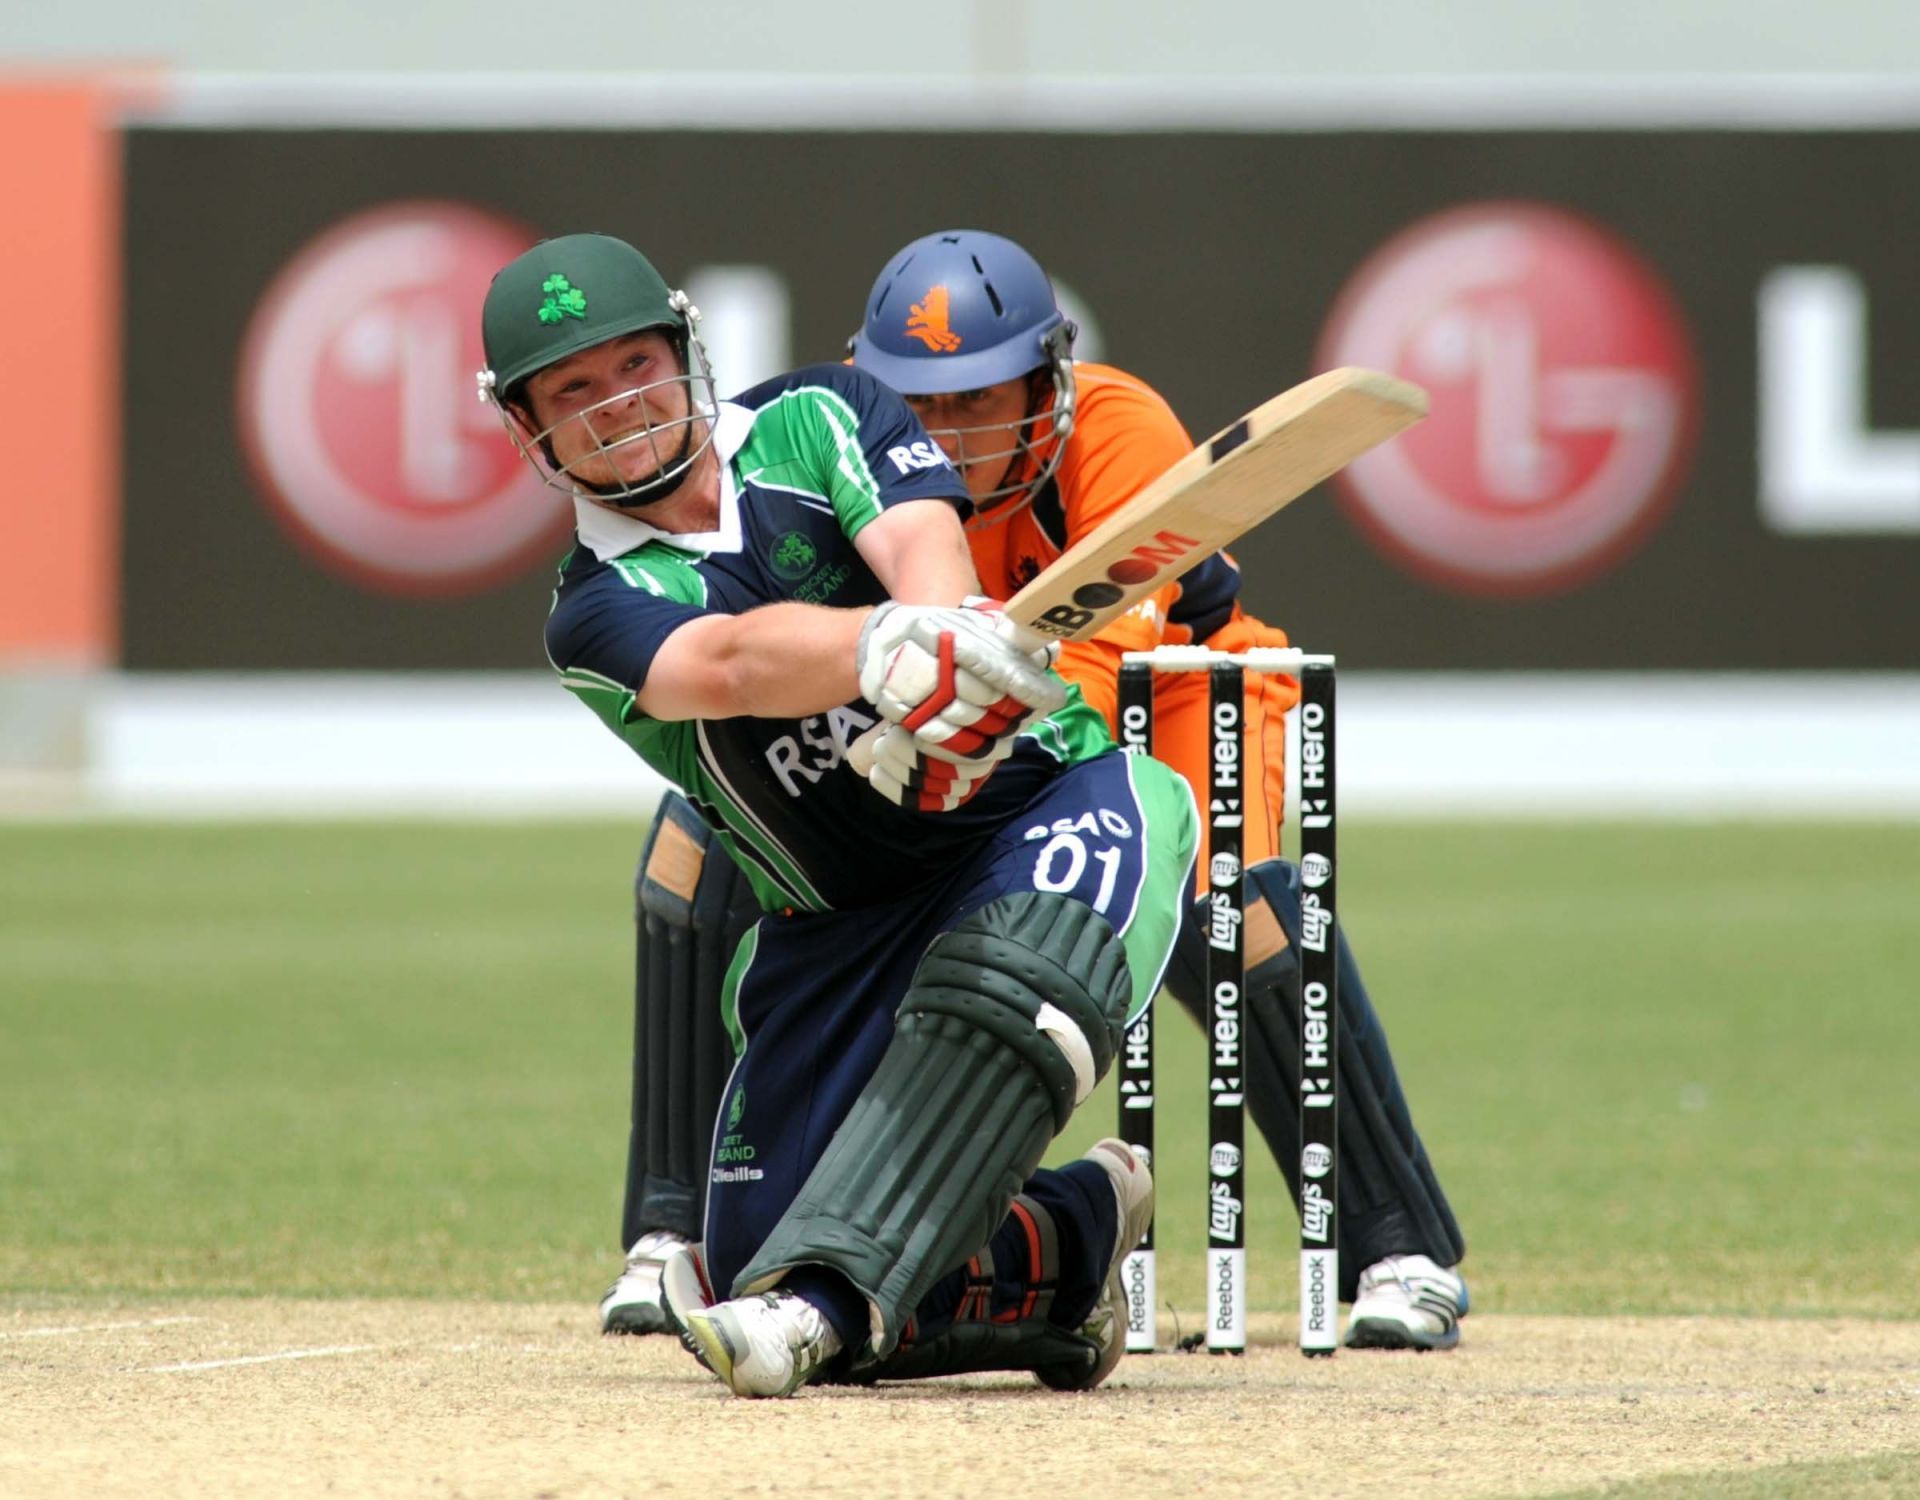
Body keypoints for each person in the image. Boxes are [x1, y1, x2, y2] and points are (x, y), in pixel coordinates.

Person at [599, 229, 1471, 1354]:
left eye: (980, 400)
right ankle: (673, 1234)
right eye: (921, 403)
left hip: (1176, 688)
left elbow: (1097, 687)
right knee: (694, 851)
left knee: (1233, 902)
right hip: (926, 722)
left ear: (1049, 375)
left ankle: (1398, 1247)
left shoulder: (1118, 430)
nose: (950, 436)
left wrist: (961, 750)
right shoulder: (829, 446)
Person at [479, 232, 1197, 1398]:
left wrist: (942, 679)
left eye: (635, 365)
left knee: (1018, 978)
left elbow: (919, 542)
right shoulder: (593, 614)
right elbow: (726, 667)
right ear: (529, 432)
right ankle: (1066, 1242)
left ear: (687, 351)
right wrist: (882, 647)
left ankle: (829, 1308)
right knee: (756, 1265)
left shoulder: (821, 414)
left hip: (1038, 805)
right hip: (842, 926)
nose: (618, 404)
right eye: (574, 392)